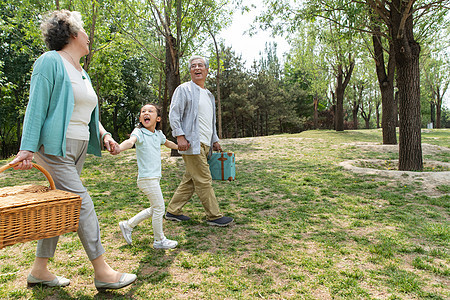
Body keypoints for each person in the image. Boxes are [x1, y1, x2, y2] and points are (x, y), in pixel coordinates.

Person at [9, 10, 136, 291]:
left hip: (78, 147)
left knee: (61, 206)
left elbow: (88, 113)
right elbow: (36, 106)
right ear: (73, 34)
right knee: (81, 204)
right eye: (85, 32)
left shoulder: (82, 72)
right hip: (55, 147)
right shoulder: (50, 62)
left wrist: (104, 135)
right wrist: (27, 149)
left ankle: (39, 270)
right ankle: (102, 272)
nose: (90, 38)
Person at [165, 55, 234, 227]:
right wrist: (179, 136)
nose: (197, 68)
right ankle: (214, 216)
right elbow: (174, 114)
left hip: (206, 144)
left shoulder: (209, 95)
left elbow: (210, 121)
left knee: (191, 180)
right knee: (204, 179)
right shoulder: (184, 89)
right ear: (190, 71)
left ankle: (173, 211)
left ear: (207, 70)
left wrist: (215, 140)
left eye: (200, 65)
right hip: (191, 143)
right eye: (193, 66)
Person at [117, 104, 178, 249]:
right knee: (159, 208)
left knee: (154, 208)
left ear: (157, 118)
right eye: (143, 111)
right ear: (140, 118)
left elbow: (167, 143)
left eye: (150, 111)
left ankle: (128, 225)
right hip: (146, 179)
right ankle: (159, 240)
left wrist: (180, 147)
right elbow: (130, 142)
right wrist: (119, 148)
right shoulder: (139, 133)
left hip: (154, 178)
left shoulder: (158, 134)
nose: (146, 113)